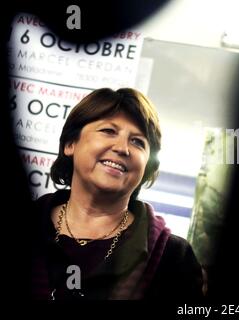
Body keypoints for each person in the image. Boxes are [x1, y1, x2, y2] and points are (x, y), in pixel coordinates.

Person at [31, 88, 204, 300]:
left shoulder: (174, 256)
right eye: (108, 131)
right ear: (70, 143)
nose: (123, 148)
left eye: (138, 142)